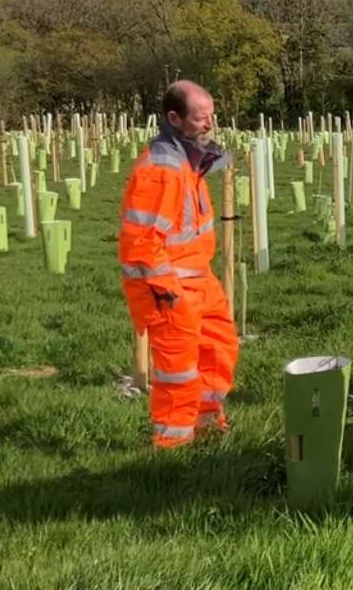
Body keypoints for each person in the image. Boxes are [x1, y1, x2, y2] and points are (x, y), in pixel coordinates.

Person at [119, 81, 237, 449]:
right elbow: (142, 241)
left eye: (212, 117)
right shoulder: (162, 170)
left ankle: (206, 423)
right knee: (178, 371)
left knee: (218, 351)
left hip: (200, 278)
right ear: (174, 118)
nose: (209, 125)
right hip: (172, 288)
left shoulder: (188, 162)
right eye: (201, 119)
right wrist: (166, 291)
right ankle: (174, 445)